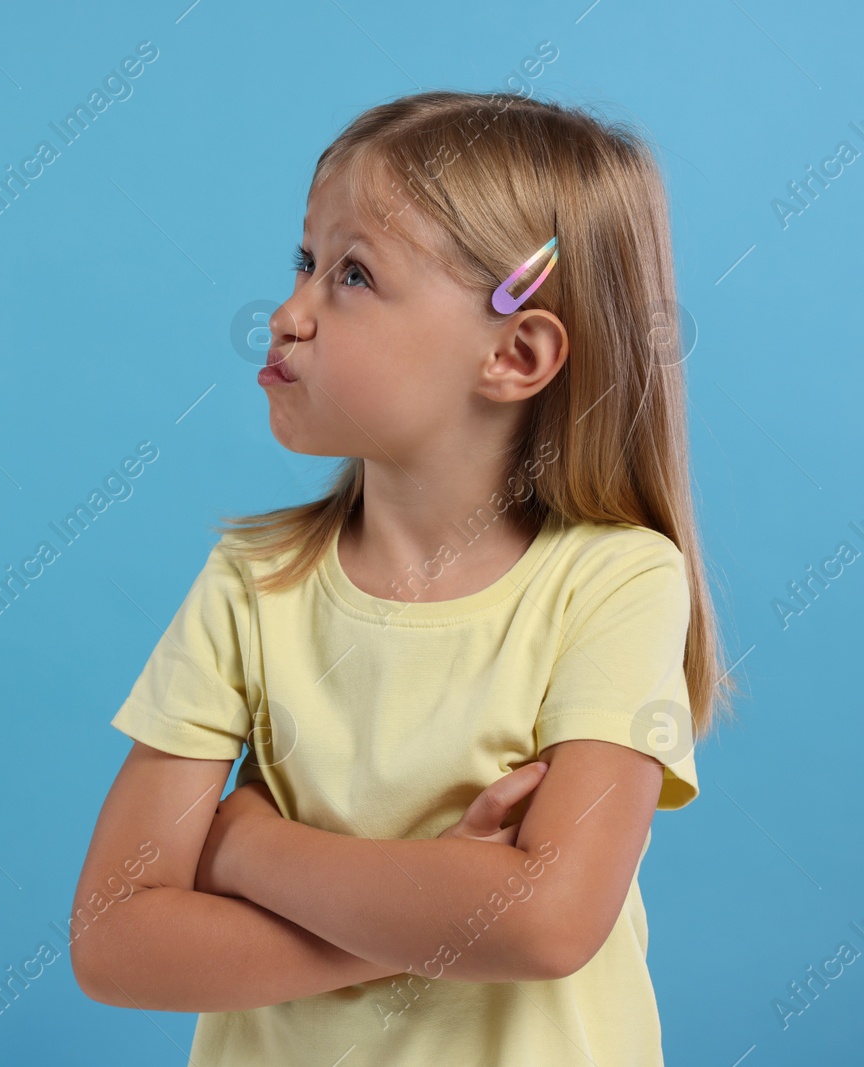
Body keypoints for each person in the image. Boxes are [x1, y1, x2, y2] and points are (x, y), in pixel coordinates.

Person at [70, 89, 739, 1065]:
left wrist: (246, 847)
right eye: (304, 260)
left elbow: (545, 921)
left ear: (513, 352)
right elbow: (115, 942)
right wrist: (431, 907)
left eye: (351, 274)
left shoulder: (615, 581)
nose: (287, 312)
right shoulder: (249, 583)